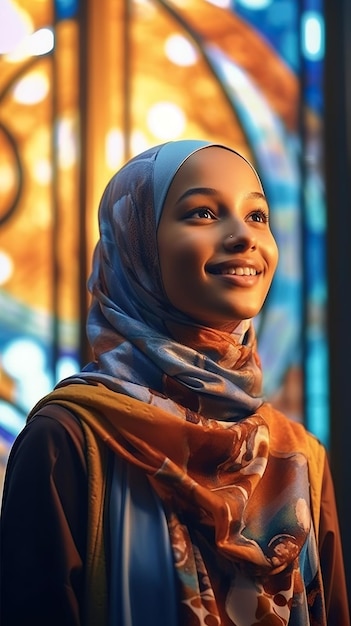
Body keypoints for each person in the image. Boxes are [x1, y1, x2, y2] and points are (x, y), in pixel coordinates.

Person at [0, 139, 349, 626]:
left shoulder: (299, 458)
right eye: (204, 213)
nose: (244, 237)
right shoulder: (71, 439)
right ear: (135, 243)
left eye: (257, 216)